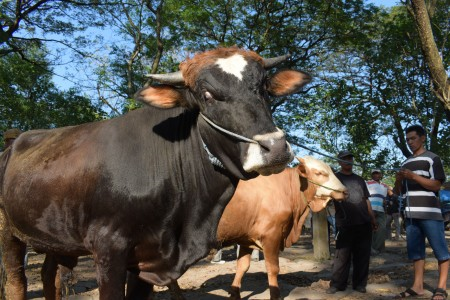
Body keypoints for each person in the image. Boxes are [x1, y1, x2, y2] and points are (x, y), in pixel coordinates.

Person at [393, 125, 449, 300]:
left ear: (423, 138)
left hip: (430, 213)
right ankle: (417, 287)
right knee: (416, 253)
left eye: (413, 138)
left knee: (441, 251)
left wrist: (414, 176)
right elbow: (398, 192)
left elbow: (437, 185)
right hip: (410, 215)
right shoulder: (405, 163)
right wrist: (398, 180)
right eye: (407, 139)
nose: (410, 142)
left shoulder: (432, 158)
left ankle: (441, 288)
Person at [327, 150, 377, 294]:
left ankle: (360, 284)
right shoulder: (334, 178)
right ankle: (337, 284)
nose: (348, 160)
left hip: (364, 222)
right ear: (339, 162)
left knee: (362, 255)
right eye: (344, 158)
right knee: (341, 256)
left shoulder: (360, 179)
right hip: (345, 223)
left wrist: (372, 218)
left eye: (350, 158)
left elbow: (366, 200)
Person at [366, 169, 393, 254]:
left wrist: (386, 206)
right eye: (374, 173)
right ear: (371, 175)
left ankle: (376, 248)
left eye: (377, 173)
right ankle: (369, 249)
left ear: (381, 175)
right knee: (369, 229)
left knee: (381, 229)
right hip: (370, 209)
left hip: (381, 209)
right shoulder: (367, 183)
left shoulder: (384, 186)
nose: (376, 175)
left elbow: (385, 198)